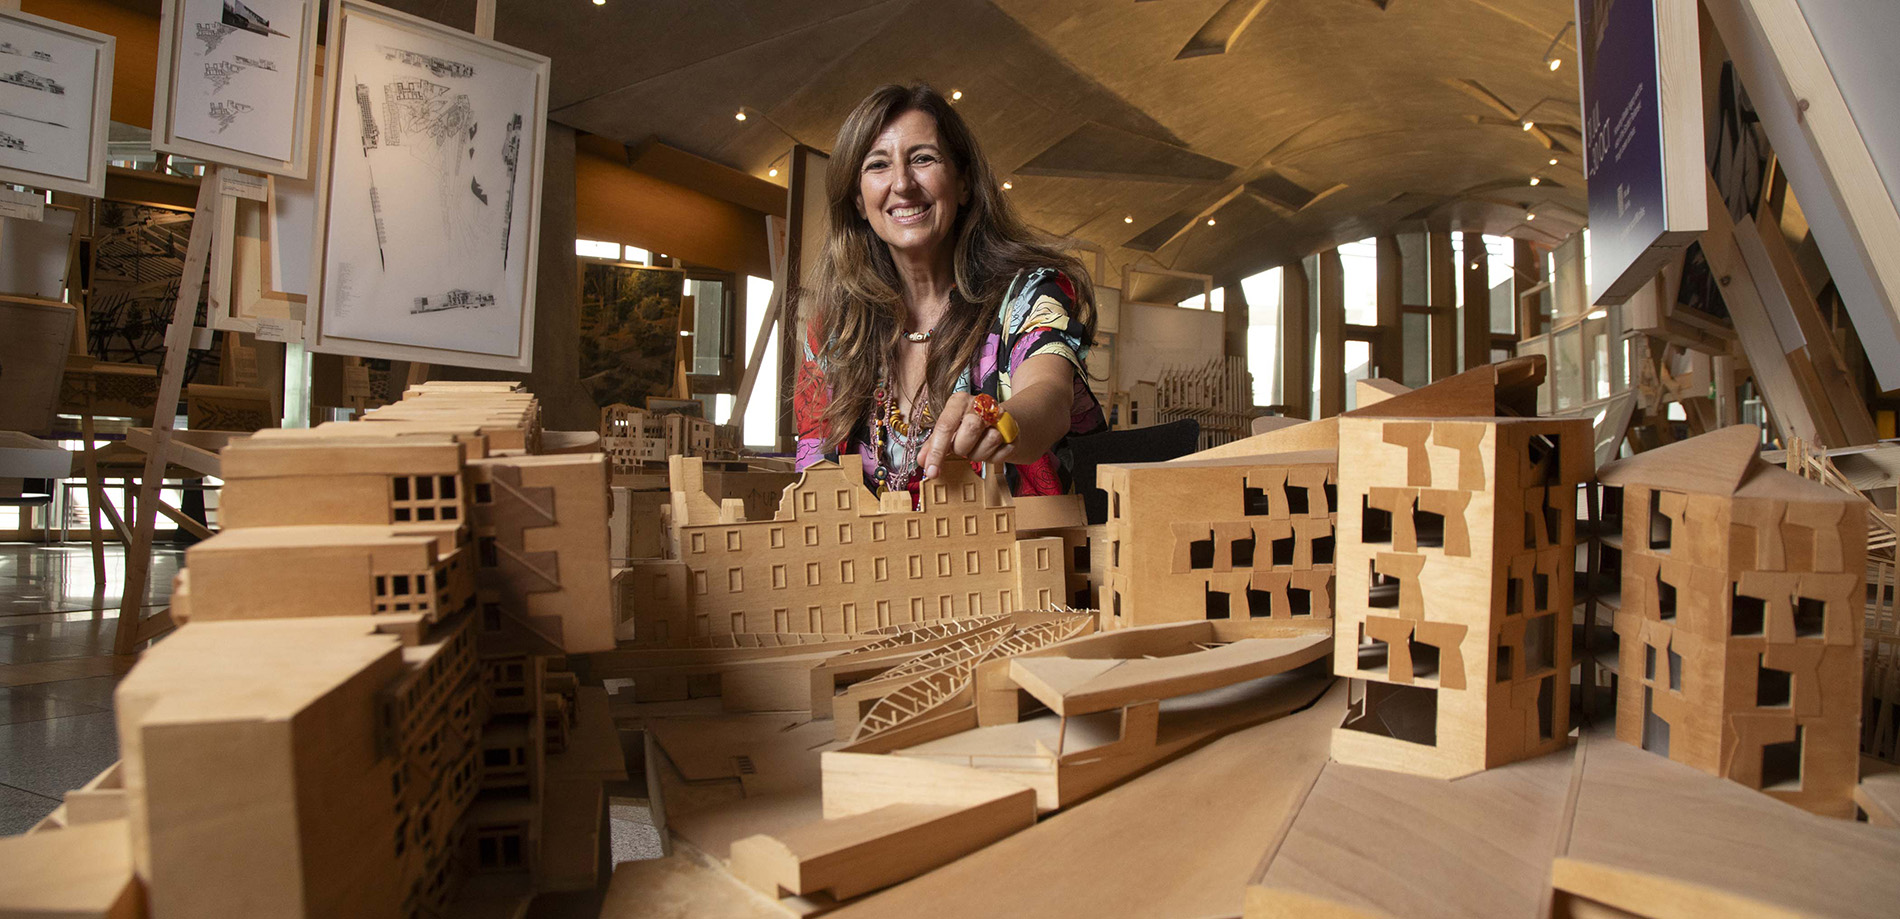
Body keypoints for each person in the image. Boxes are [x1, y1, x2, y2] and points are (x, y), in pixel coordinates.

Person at [794, 83, 1106, 506]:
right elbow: (812, 472)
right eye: (878, 165)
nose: (902, 183)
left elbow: (1050, 398)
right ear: (857, 200)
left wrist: (1002, 422)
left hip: (1011, 557)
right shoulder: (836, 329)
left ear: (962, 184)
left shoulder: (1029, 295)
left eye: (923, 158)